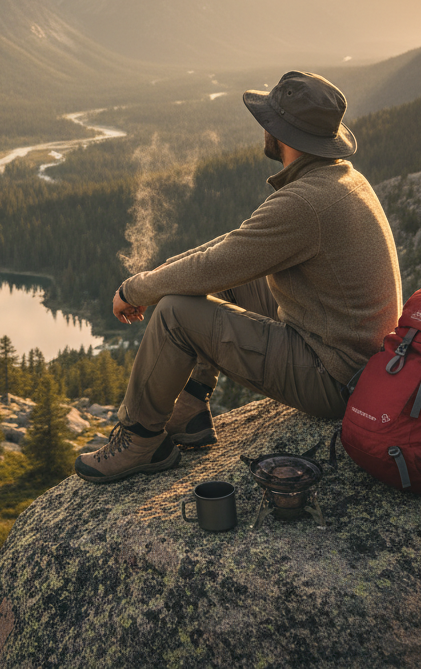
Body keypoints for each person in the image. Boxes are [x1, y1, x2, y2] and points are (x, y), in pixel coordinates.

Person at [75, 70, 402, 484]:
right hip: (351, 352)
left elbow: (210, 265)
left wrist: (135, 289)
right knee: (229, 280)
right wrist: (148, 278)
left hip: (334, 377)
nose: (263, 126)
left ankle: (141, 441)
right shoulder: (340, 178)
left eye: (269, 120)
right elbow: (226, 254)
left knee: (175, 313)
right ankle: (190, 407)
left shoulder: (305, 203)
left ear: (282, 133)